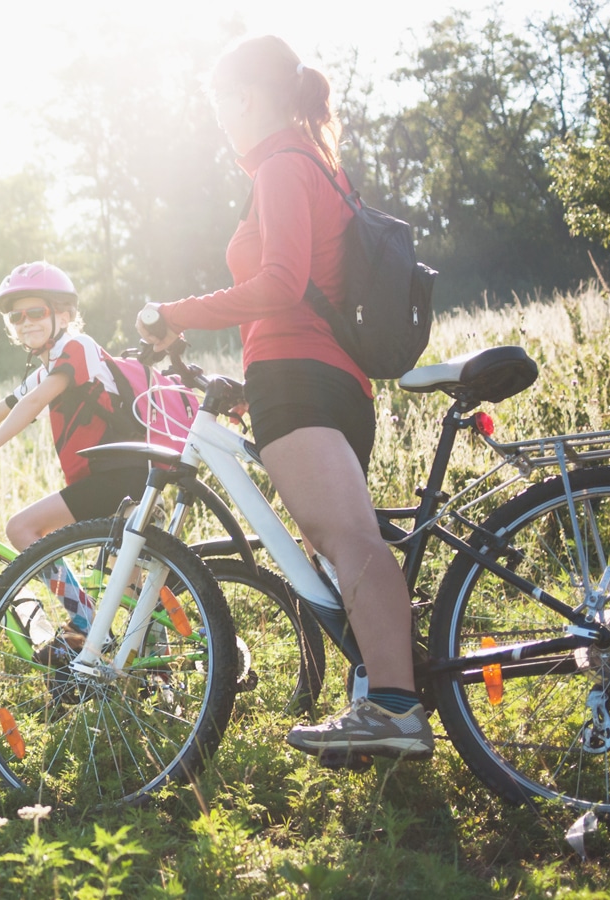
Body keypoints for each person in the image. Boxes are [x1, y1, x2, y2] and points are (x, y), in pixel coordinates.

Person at [136, 36, 432, 759]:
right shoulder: (314, 161)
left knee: (345, 539)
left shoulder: (281, 162)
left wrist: (174, 311)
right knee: (337, 542)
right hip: (320, 379)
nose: (215, 117)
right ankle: (378, 696)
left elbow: (279, 284)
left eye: (216, 102)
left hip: (301, 379)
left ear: (242, 96)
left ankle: (394, 707)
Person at [0, 261, 148, 639]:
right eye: (16, 317)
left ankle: (90, 627)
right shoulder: (51, 365)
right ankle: (156, 673)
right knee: (133, 587)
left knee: (23, 528)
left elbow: (33, 403)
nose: (25, 322)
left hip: (120, 474)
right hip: (114, 475)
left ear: (65, 313)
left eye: (36, 312)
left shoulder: (78, 348)